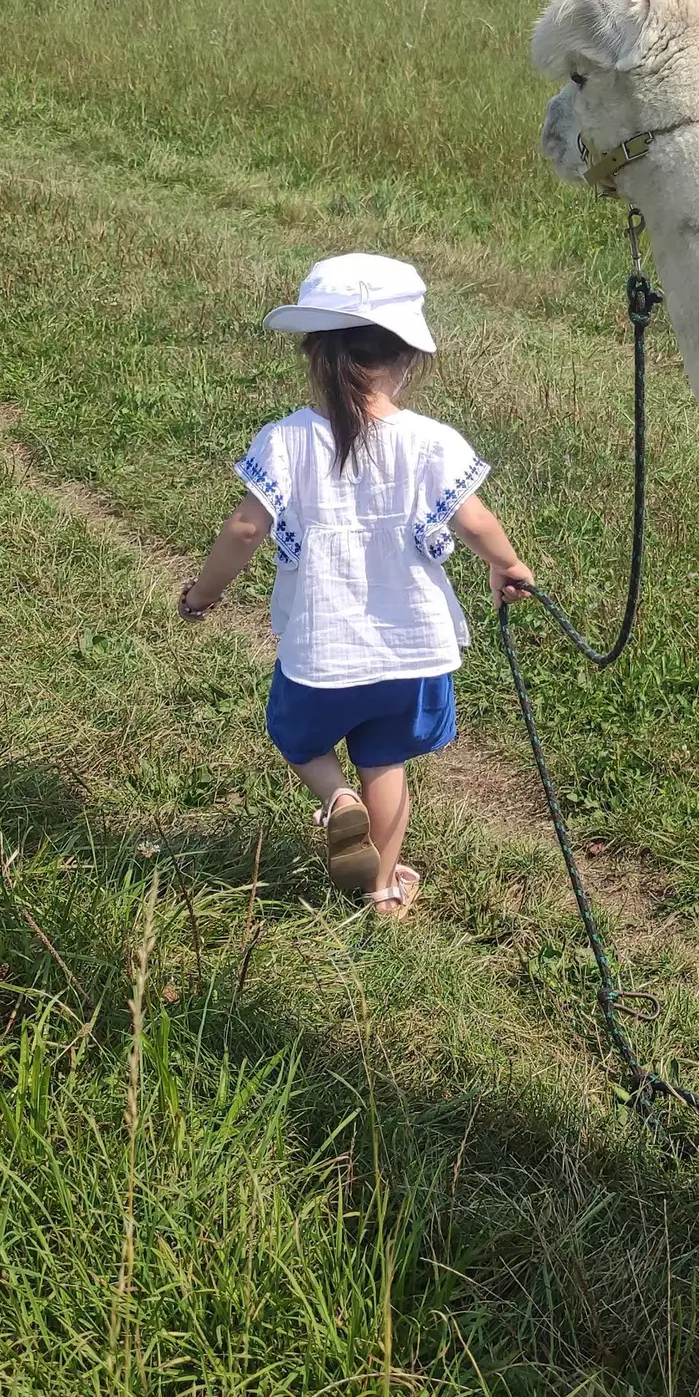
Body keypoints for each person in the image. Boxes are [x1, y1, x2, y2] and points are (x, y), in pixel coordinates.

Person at [177, 253, 532, 917]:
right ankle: (382, 892)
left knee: (302, 741)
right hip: (410, 650)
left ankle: (336, 800)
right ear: (405, 361)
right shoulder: (432, 442)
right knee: (387, 762)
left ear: (315, 356)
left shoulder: (285, 441)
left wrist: (204, 594)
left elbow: (245, 530)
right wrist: (505, 565)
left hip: (322, 648)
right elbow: (475, 519)